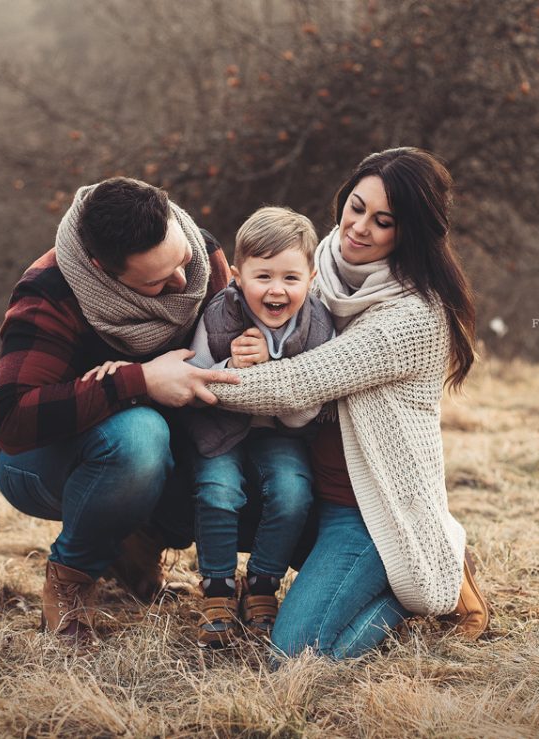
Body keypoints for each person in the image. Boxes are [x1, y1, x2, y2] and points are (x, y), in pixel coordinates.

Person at [209, 147, 490, 660]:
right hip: (309, 485)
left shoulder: (414, 317)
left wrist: (192, 381)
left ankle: (418, 582)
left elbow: (299, 382)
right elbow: (248, 301)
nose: (359, 228)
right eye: (355, 207)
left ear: (408, 233)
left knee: (291, 659)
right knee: (209, 486)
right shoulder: (317, 269)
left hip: (369, 510)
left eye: (382, 221)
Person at [0, 177, 239, 649]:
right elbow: (13, 420)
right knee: (139, 436)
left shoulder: (202, 254)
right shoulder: (51, 289)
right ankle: (70, 584)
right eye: (157, 282)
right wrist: (139, 382)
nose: (183, 282)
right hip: (36, 461)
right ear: (103, 270)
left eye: (179, 259)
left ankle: (134, 543)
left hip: (165, 447)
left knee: (217, 468)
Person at [181, 207, 334, 648]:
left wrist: (272, 372)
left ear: (310, 278)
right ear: (236, 275)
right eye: (263, 276)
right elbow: (197, 381)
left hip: (283, 432)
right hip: (218, 427)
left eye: (291, 278)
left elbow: (309, 404)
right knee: (217, 490)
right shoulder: (218, 315)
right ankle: (217, 587)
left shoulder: (319, 325)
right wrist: (231, 365)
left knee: (293, 492)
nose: (276, 290)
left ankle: (263, 584)